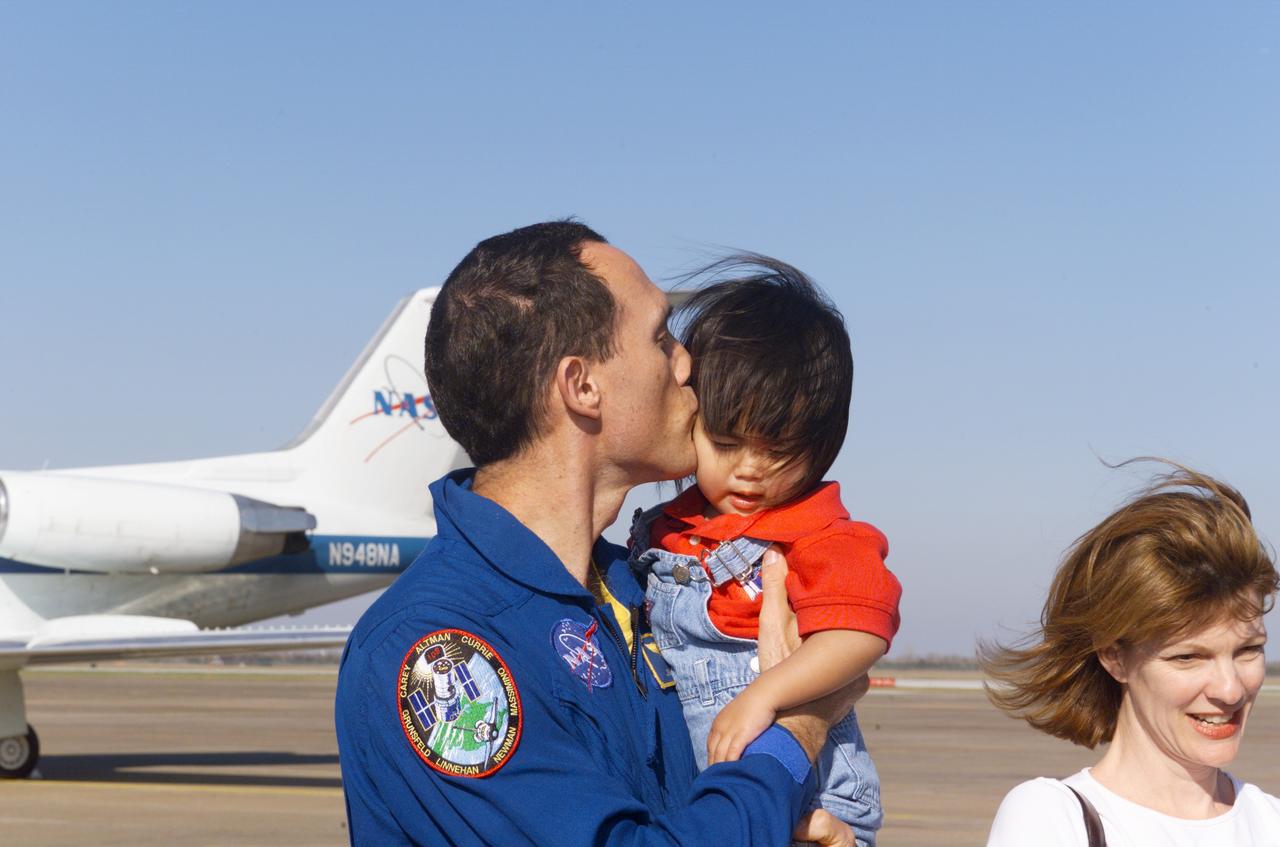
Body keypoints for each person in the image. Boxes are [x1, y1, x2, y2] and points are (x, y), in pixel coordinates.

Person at [334, 221, 865, 846]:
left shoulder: (645, 589)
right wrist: (797, 729)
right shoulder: (437, 653)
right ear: (582, 386)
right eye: (660, 337)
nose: (687, 363)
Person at [626, 256, 901, 846]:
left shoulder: (823, 535)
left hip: (811, 789)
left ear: (822, 445)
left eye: (777, 451)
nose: (750, 471)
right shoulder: (665, 530)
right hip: (709, 794)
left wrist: (765, 696)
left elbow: (859, 635)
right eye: (725, 443)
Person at [983, 463, 1280, 846]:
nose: (1231, 689)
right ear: (1114, 657)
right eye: (1188, 657)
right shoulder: (1054, 819)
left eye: (1248, 650)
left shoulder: (1270, 822)